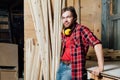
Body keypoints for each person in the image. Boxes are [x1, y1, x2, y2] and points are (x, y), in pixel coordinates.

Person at [56, 6, 104, 80]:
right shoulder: (64, 32)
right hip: (62, 66)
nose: (65, 20)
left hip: (72, 68)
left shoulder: (81, 30)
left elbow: (97, 44)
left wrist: (100, 67)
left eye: (68, 17)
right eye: (63, 18)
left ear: (74, 18)